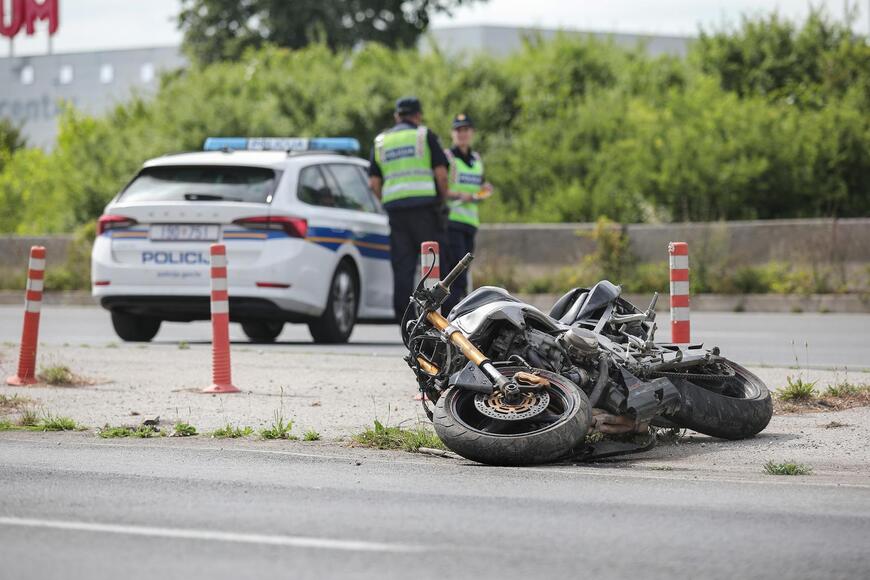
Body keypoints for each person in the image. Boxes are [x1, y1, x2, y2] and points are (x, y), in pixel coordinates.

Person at [369, 97, 451, 320]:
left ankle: (405, 320)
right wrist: (443, 199)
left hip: (396, 211)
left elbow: (374, 184)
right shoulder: (424, 136)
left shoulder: (381, 141)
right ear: (417, 115)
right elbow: (441, 175)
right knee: (432, 265)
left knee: (402, 267)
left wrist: (387, 200)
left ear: (397, 116)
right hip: (425, 209)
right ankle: (436, 317)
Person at [442, 113, 492, 314]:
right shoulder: (449, 158)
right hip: (452, 221)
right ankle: (450, 315)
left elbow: (480, 187)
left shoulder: (476, 159)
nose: (462, 134)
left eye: (465, 130)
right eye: (458, 130)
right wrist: (461, 195)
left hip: (470, 223)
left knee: (464, 272)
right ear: (453, 133)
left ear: (472, 133)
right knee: (456, 275)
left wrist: (484, 191)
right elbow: (442, 190)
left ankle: (455, 314)